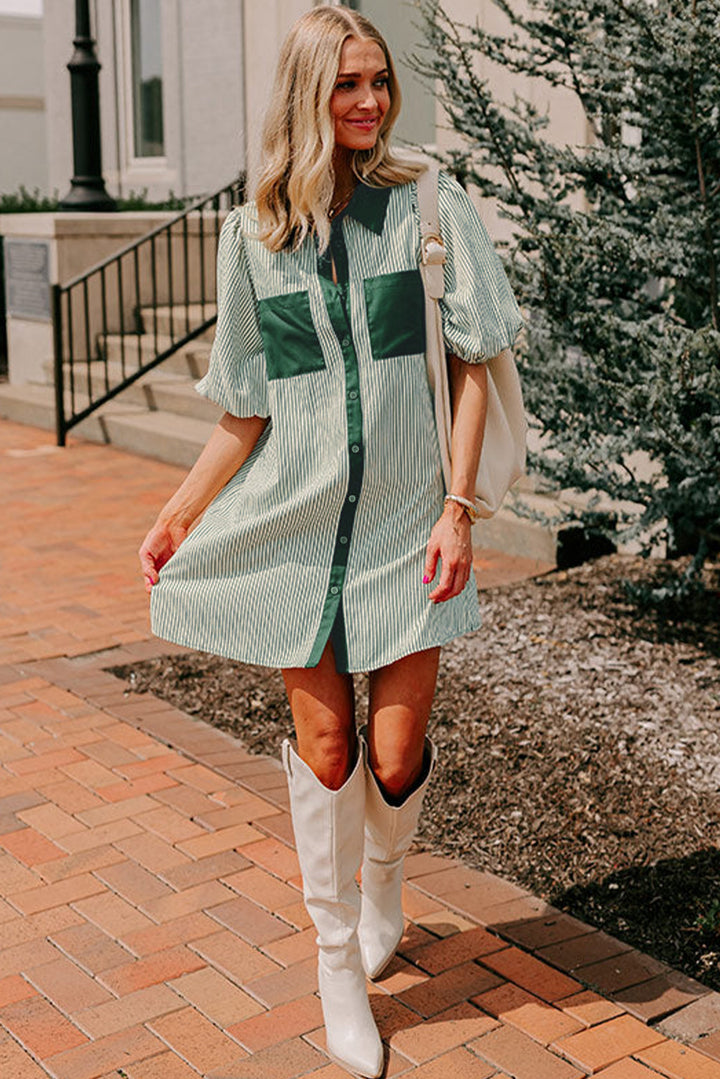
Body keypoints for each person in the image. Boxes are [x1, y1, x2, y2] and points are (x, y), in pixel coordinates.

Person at [139, 6, 522, 1076]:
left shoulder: (431, 205)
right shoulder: (252, 237)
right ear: (308, 94)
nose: (370, 102)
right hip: (297, 531)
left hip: (411, 527)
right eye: (348, 84)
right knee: (327, 749)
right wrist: (179, 513)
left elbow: (472, 369)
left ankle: (386, 877)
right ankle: (336, 961)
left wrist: (458, 509)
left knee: (394, 754)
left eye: (379, 81)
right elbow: (245, 405)